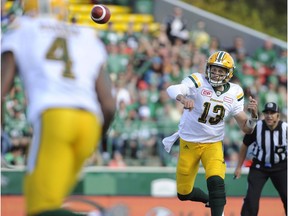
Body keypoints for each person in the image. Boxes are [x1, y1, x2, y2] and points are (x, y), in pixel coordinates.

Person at [1, 0, 116, 215]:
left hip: (55, 118)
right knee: (53, 203)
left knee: (40, 209)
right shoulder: (86, 34)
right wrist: (95, 140)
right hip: (90, 122)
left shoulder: (22, 28)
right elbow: (109, 104)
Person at [163, 51, 258, 216]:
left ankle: (217, 207)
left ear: (229, 73)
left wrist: (255, 117)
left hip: (213, 143)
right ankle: (209, 199)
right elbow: (172, 88)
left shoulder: (234, 92)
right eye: (214, 69)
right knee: (184, 193)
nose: (216, 73)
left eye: (221, 71)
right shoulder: (198, 80)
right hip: (189, 143)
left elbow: (246, 128)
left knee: (216, 181)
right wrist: (183, 98)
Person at [234, 102, 287, 216]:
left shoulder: (285, 129)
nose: (269, 116)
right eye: (266, 113)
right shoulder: (257, 127)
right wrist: (238, 167)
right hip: (259, 167)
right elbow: (244, 145)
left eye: (272, 113)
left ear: (278, 115)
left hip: (281, 166)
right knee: (251, 200)